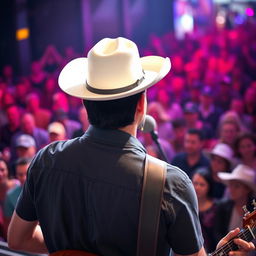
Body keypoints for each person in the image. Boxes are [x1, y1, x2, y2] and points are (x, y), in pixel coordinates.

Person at [7, 37, 255, 256]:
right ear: (141, 104)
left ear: (85, 102)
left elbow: (18, 238)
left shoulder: (46, 160)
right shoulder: (170, 183)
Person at [214, 164, 256, 243]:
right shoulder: (222, 206)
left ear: (247, 189)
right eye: (230, 185)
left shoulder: (254, 209)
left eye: (236, 186)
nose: (231, 189)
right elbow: (218, 233)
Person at [3, 157, 31, 238]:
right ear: (16, 175)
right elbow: (7, 227)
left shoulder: (45, 190)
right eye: (20, 174)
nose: (24, 178)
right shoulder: (10, 196)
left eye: (26, 173)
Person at [192, 168, 218, 253]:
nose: (197, 187)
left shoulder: (217, 207)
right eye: (195, 183)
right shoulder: (187, 204)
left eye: (202, 185)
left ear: (209, 186)